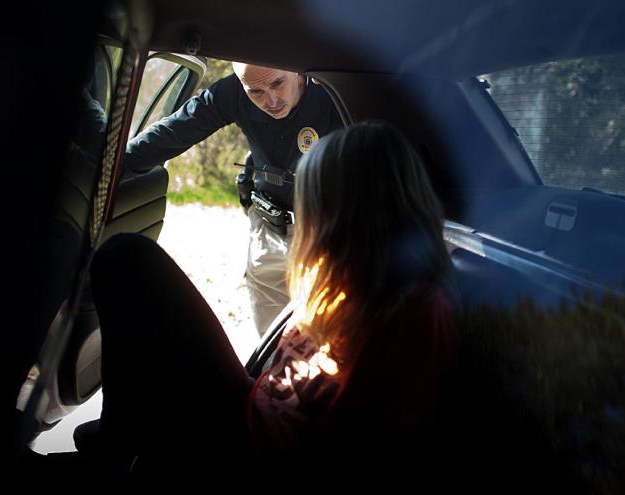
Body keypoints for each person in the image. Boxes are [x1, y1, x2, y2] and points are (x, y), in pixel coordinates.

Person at [87, 120, 458, 478]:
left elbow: (390, 451)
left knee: (125, 256)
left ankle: (123, 439)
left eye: (314, 206)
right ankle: (128, 433)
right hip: (250, 409)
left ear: (351, 215)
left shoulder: (414, 316)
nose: (306, 220)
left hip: (254, 453)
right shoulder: (342, 280)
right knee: (128, 261)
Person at [123, 62, 343, 334]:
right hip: (268, 232)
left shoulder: (333, 94)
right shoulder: (234, 93)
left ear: (297, 70)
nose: (271, 100)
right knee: (271, 339)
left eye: (277, 84)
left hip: (330, 235)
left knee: (331, 337)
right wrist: (116, 166)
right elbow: (178, 129)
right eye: (256, 92)